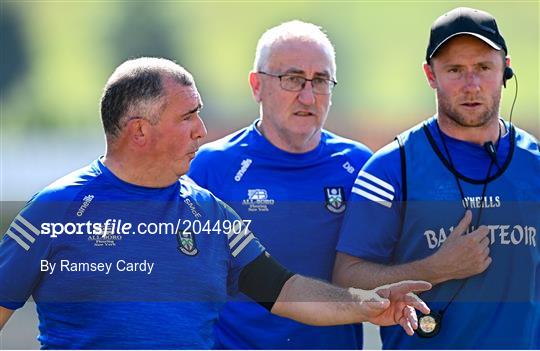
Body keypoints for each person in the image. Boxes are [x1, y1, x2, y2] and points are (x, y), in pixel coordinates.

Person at [0, 57, 431, 349]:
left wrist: (368, 302)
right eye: (187, 116)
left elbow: (286, 290)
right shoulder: (56, 211)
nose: (202, 130)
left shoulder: (209, 215)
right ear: (139, 131)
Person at [333, 7, 540, 349]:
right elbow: (346, 281)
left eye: (483, 68)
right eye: (455, 70)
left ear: (506, 68)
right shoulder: (391, 168)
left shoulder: (533, 164)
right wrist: (435, 268)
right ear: (431, 75)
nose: (471, 85)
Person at [188, 20, 373, 349]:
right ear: (256, 85)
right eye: (292, 79)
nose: (308, 95)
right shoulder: (210, 168)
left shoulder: (358, 165)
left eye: (320, 81)